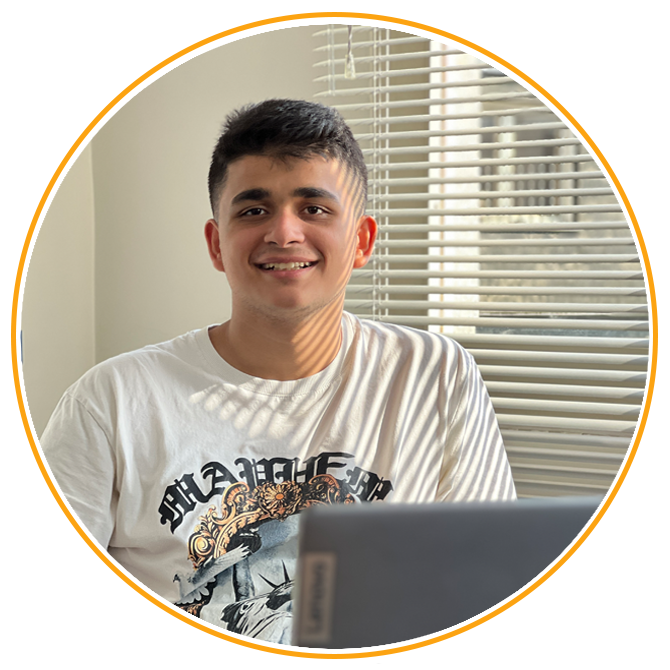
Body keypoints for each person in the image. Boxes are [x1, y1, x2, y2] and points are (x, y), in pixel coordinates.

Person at [40, 99, 516, 663]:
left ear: (362, 241)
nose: (284, 233)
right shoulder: (111, 401)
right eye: (253, 210)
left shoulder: (435, 374)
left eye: (314, 208)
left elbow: (488, 587)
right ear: (217, 244)